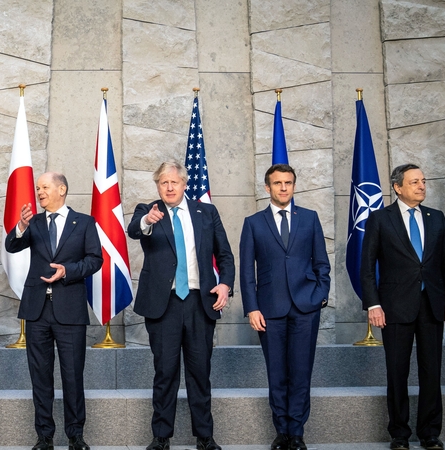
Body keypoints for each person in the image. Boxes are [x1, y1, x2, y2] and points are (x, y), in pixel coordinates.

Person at [127, 161, 235, 450]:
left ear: (185, 184)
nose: (170, 187)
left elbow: (224, 254)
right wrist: (147, 221)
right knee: (165, 372)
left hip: (200, 303)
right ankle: (161, 437)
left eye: (175, 182)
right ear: (158, 186)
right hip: (164, 306)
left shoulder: (206, 212)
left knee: (200, 372)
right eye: (164, 183)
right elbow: (134, 230)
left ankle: (205, 436)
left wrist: (225, 284)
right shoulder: (148, 210)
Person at [360, 164, 445, 450]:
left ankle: (430, 432)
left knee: (431, 371)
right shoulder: (380, 219)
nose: (421, 186)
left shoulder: (436, 218)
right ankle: (399, 434)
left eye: (423, 181)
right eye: (414, 181)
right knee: (397, 371)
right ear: (397, 187)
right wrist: (373, 304)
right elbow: (366, 268)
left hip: (432, 306)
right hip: (393, 307)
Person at [4, 172, 102, 450]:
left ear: (62, 189)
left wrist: (67, 271)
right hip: (37, 311)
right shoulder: (33, 222)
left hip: (69, 310)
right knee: (40, 377)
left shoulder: (84, 223)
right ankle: (44, 436)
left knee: (73, 376)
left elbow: (95, 260)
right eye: (38, 188)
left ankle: (76, 436)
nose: (40, 192)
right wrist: (21, 227)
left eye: (44, 187)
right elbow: (12, 246)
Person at [238, 164, 331, 450]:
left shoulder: (310, 219)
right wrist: (252, 308)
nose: (283, 188)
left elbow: (322, 265)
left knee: (301, 372)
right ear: (267, 187)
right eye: (277, 183)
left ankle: (298, 432)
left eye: (288, 183)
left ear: (293, 185)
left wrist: (319, 297)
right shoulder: (253, 223)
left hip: (305, 308)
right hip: (269, 310)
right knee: (277, 373)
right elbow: (246, 272)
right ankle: (281, 431)